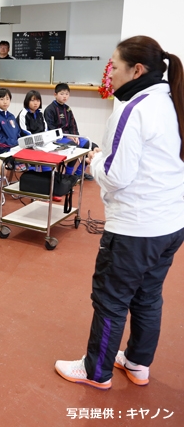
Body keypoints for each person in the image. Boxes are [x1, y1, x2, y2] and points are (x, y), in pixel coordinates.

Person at [55, 35, 184, 390]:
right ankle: (138, 363)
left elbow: (116, 176)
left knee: (111, 299)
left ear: (136, 70)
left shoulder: (133, 109)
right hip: (170, 224)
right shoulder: (171, 101)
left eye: (114, 65)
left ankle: (96, 371)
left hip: (136, 229)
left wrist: (95, 161)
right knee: (148, 295)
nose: (109, 72)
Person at [45, 83, 95, 179]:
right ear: (55, 94)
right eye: (62, 94)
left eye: (67, 94)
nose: (64, 96)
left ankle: (79, 173)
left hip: (70, 136)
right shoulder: (50, 109)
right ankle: (68, 175)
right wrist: (67, 136)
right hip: (58, 138)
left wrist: (75, 136)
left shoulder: (67, 109)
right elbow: (51, 129)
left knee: (90, 145)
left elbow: (73, 125)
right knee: (74, 147)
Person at [0, 88, 22, 155]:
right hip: (3, 150)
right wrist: (13, 143)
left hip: (15, 147)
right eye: (2, 99)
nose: (5, 102)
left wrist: (19, 143)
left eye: (7, 99)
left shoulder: (11, 116)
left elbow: (18, 133)